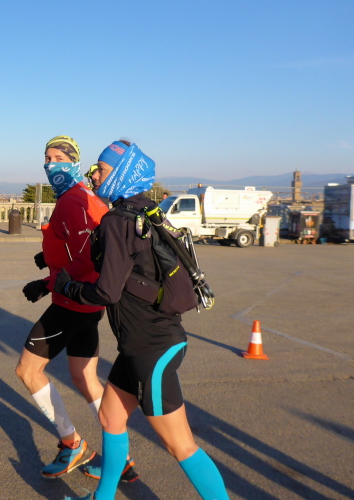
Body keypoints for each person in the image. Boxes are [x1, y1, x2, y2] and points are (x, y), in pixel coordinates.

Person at [56, 140, 229, 500]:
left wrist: (68, 287)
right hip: (143, 343)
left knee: (180, 445)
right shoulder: (145, 212)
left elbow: (106, 292)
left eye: (102, 169)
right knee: (110, 417)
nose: (94, 175)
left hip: (151, 347)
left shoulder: (118, 221)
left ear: (121, 173)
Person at [15, 136, 137, 481]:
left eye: (58, 157)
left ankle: (72, 444)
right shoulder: (87, 195)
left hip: (72, 303)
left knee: (28, 371)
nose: (50, 164)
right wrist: (49, 259)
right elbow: (81, 248)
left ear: (75, 162)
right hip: (88, 303)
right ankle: (121, 458)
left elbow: (86, 261)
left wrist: (47, 283)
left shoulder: (72, 200)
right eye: (47, 157)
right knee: (84, 378)